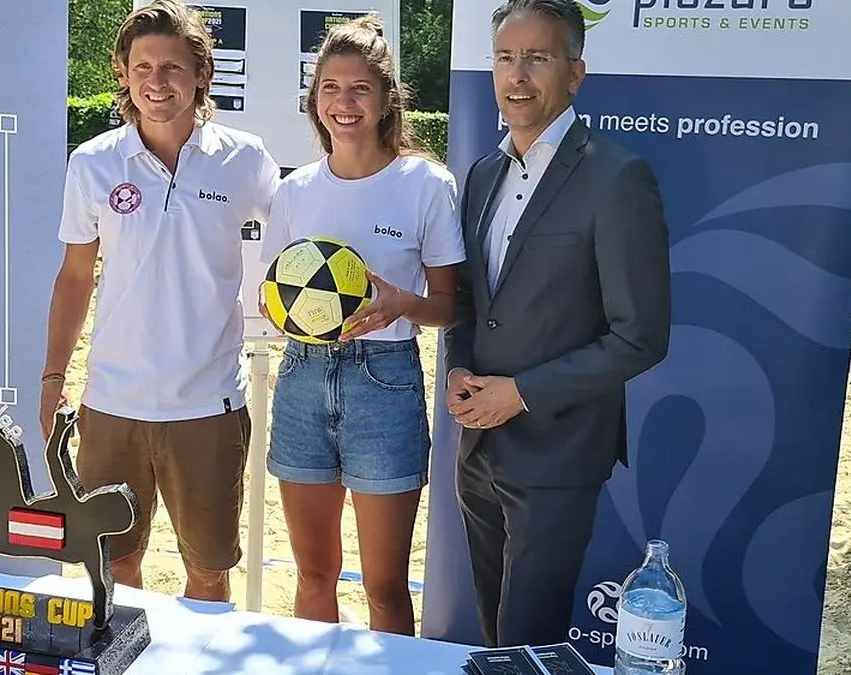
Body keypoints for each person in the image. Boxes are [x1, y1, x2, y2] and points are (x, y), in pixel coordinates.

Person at [442, 0, 672, 649]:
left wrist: (521, 393)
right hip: (478, 450)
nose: (517, 76)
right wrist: (457, 367)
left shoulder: (617, 177)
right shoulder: (483, 173)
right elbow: (469, 300)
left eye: (537, 59)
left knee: (528, 642)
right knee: (494, 640)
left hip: (559, 454)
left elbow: (641, 336)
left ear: (575, 73)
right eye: (505, 58)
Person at [40, 0, 280, 603]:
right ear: (123, 73)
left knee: (208, 574)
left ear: (202, 73)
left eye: (172, 67)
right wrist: (52, 379)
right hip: (111, 404)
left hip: (208, 404)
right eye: (143, 66)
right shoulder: (93, 162)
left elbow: (298, 244)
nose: (157, 81)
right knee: (115, 568)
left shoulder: (245, 158)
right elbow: (75, 277)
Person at [256, 14, 465, 636]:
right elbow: (272, 292)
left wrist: (403, 303)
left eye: (359, 89)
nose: (343, 104)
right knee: (313, 576)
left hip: (385, 383)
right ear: (314, 98)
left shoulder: (425, 184)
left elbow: (450, 306)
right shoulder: (295, 190)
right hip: (302, 380)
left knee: (384, 587)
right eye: (330, 88)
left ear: (386, 99)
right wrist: (280, 306)